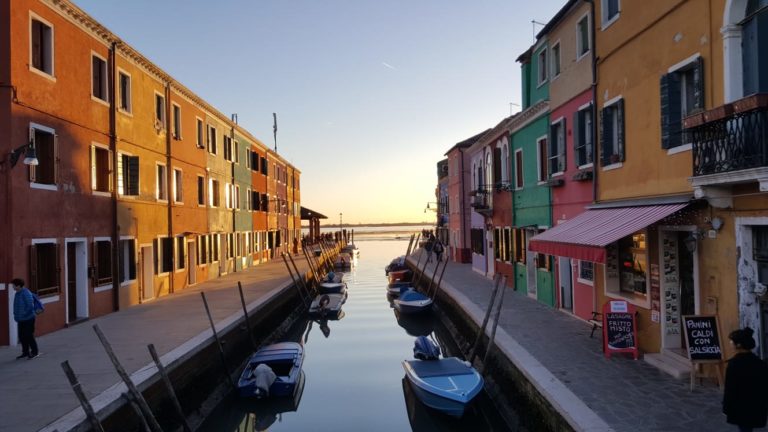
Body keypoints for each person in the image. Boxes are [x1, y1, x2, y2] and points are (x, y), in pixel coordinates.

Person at [723, 327, 768, 432]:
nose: (730, 343)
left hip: (741, 406)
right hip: (757, 404)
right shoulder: (760, 363)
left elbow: (730, 389)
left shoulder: (734, 364)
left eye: (732, 341)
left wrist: (726, 407)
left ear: (738, 345)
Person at [12, 278, 39, 360]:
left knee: (29, 335)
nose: (13, 287)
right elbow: (16, 306)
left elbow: (30, 306)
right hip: (21, 319)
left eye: (14, 285)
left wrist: (23, 315)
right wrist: (16, 315)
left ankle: (34, 352)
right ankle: (25, 352)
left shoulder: (26, 293)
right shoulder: (17, 293)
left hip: (28, 318)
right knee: (22, 336)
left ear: (18, 286)